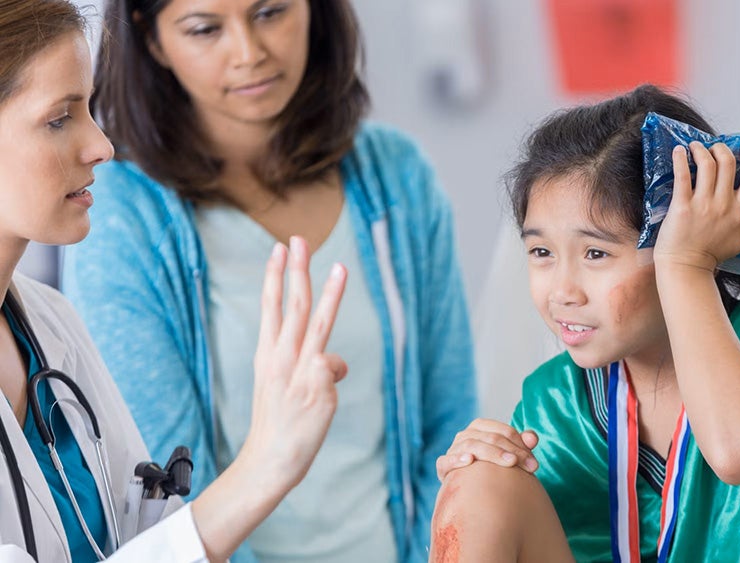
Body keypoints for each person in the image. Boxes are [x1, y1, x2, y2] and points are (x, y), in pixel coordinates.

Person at [59, 0, 476, 561]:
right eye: (206, 29)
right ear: (153, 39)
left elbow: (449, 429)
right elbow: (167, 487)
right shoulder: (121, 214)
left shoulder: (397, 178)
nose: (250, 53)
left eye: (271, 12)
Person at [430, 85, 740, 562]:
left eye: (596, 253)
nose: (562, 291)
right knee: (478, 483)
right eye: (541, 253)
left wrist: (686, 265)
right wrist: (477, 469)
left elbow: (738, 452)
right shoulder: (554, 398)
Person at [0, 1, 352, 561]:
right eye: (59, 118)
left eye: (89, 108)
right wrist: (264, 464)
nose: (102, 146)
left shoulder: (50, 323)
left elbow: (150, 531)